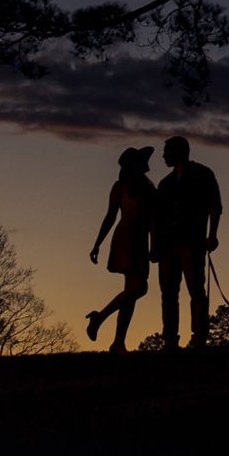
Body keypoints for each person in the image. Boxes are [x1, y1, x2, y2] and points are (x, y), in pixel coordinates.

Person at [86, 146, 157, 353]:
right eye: (142, 160)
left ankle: (118, 342)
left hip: (141, 241)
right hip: (126, 239)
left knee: (131, 292)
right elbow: (110, 216)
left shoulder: (149, 189)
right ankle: (99, 317)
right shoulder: (120, 187)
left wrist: (153, 244)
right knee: (139, 289)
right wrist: (97, 244)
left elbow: (153, 221)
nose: (147, 163)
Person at [154, 135, 222, 349]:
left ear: (180, 152)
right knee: (168, 293)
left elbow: (215, 206)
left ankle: (199, 337)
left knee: (196, 290)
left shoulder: (202, 174)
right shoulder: (164, 183)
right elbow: (156, 217)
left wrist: (212, 235)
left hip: (191, 242)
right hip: (167, 245)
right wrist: (155, 245)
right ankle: (170, 339)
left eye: (167, 152)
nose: (164, 156)